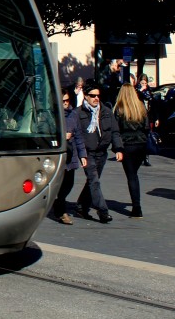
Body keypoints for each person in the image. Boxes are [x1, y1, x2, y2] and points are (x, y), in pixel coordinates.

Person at [75, 82, 124, 223]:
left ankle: (81, 206)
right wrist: (80, 154)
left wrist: (118, 149)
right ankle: (103, 211)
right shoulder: (78, 113)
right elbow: (76, 135)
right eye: (92, 96)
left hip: (102, 152)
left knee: (92, 182)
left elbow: (115, 131)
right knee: (94, 181)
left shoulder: (106, 111)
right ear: (85, 96)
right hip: (88, 153)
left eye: (98, 96)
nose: (96, 98)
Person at [50, 86, 87, 225]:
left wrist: (83, 155)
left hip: (71, 155)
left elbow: (78, 136)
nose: (65, 103)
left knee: (69, 184)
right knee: (58, 184)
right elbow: (43, 131)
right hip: (57, 155)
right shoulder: (50, 114)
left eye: (67, 100)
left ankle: (59, 202)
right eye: (62, 101)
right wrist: (61, 136)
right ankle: (61, 211)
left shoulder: (73, 114)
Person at [113, 83, 150, 218]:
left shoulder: (119, 109)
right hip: (141, 144)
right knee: (134, 174)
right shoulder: (140, 107)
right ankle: (136, 205)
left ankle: (136, 207)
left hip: (127, 145)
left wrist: (117, 147)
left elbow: (115, 130)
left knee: (132, 176)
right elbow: (146, 127)